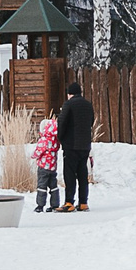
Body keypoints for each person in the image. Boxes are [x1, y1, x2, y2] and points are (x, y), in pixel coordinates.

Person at [57, 79, 96, 211]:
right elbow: (91, 121)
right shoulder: (88, 104)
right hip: (85, 145)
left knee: (70, 174)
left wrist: (60, 138)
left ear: (70, 94)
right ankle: (83, 202)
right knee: (82, 173)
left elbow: (61, 122)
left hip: (71, 145)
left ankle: (69, 202)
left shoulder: (69, 104)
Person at [31, 113, 60, 213]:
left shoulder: (43, 140)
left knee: (42, 186)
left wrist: (34, 155)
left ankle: (40, 205)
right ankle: (55, 205)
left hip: (43, 167)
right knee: (53, 186)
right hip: (52, 167)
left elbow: (39, 150)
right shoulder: (55, 140)